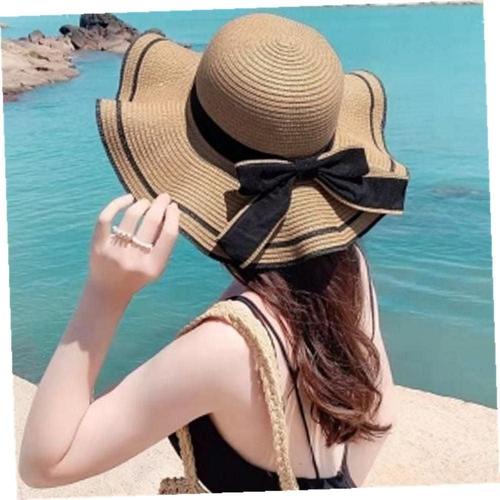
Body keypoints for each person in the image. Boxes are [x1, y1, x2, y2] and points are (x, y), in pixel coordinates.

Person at [19, 13, 409, 492]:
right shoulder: (348, 269)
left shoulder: (224, 348)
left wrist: (106, 293)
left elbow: (44, 465)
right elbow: (378, 419)